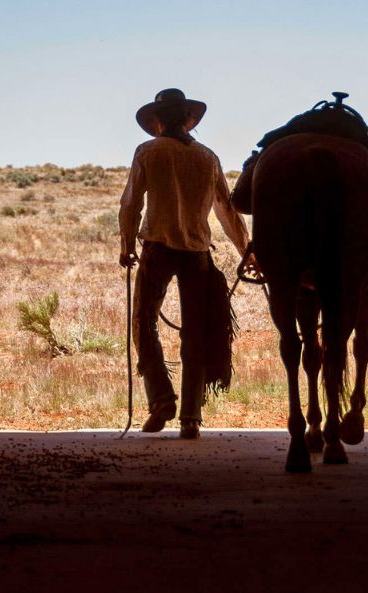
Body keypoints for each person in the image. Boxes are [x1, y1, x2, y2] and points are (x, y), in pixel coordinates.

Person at [119, 88, 253, 439]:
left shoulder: (148, 151)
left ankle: (161, 400)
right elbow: (226, 208)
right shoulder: (208, 157)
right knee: (197, 331)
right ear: (188, 120)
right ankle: (191, 417)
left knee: (143, 322)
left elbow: (131, 203)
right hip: (197, 254)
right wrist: (247, 251)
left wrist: (125, 244)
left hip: (157, 249)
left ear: (159, 120)